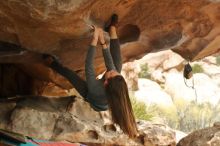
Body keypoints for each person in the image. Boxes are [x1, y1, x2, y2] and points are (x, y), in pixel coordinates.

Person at [43, 14, 138, 138]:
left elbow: (89, 65)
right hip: (110, 90)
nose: (112, 70)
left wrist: (94, 39)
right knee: (117, 63)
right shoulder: (117, 82)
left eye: (111, 73)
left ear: (106, 82)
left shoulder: (95, 89)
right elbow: (111, 65)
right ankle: (112, 29)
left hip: (92, 98)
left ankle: (52, 64)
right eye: (115, 73)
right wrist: (103, 42)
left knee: (71, 76)